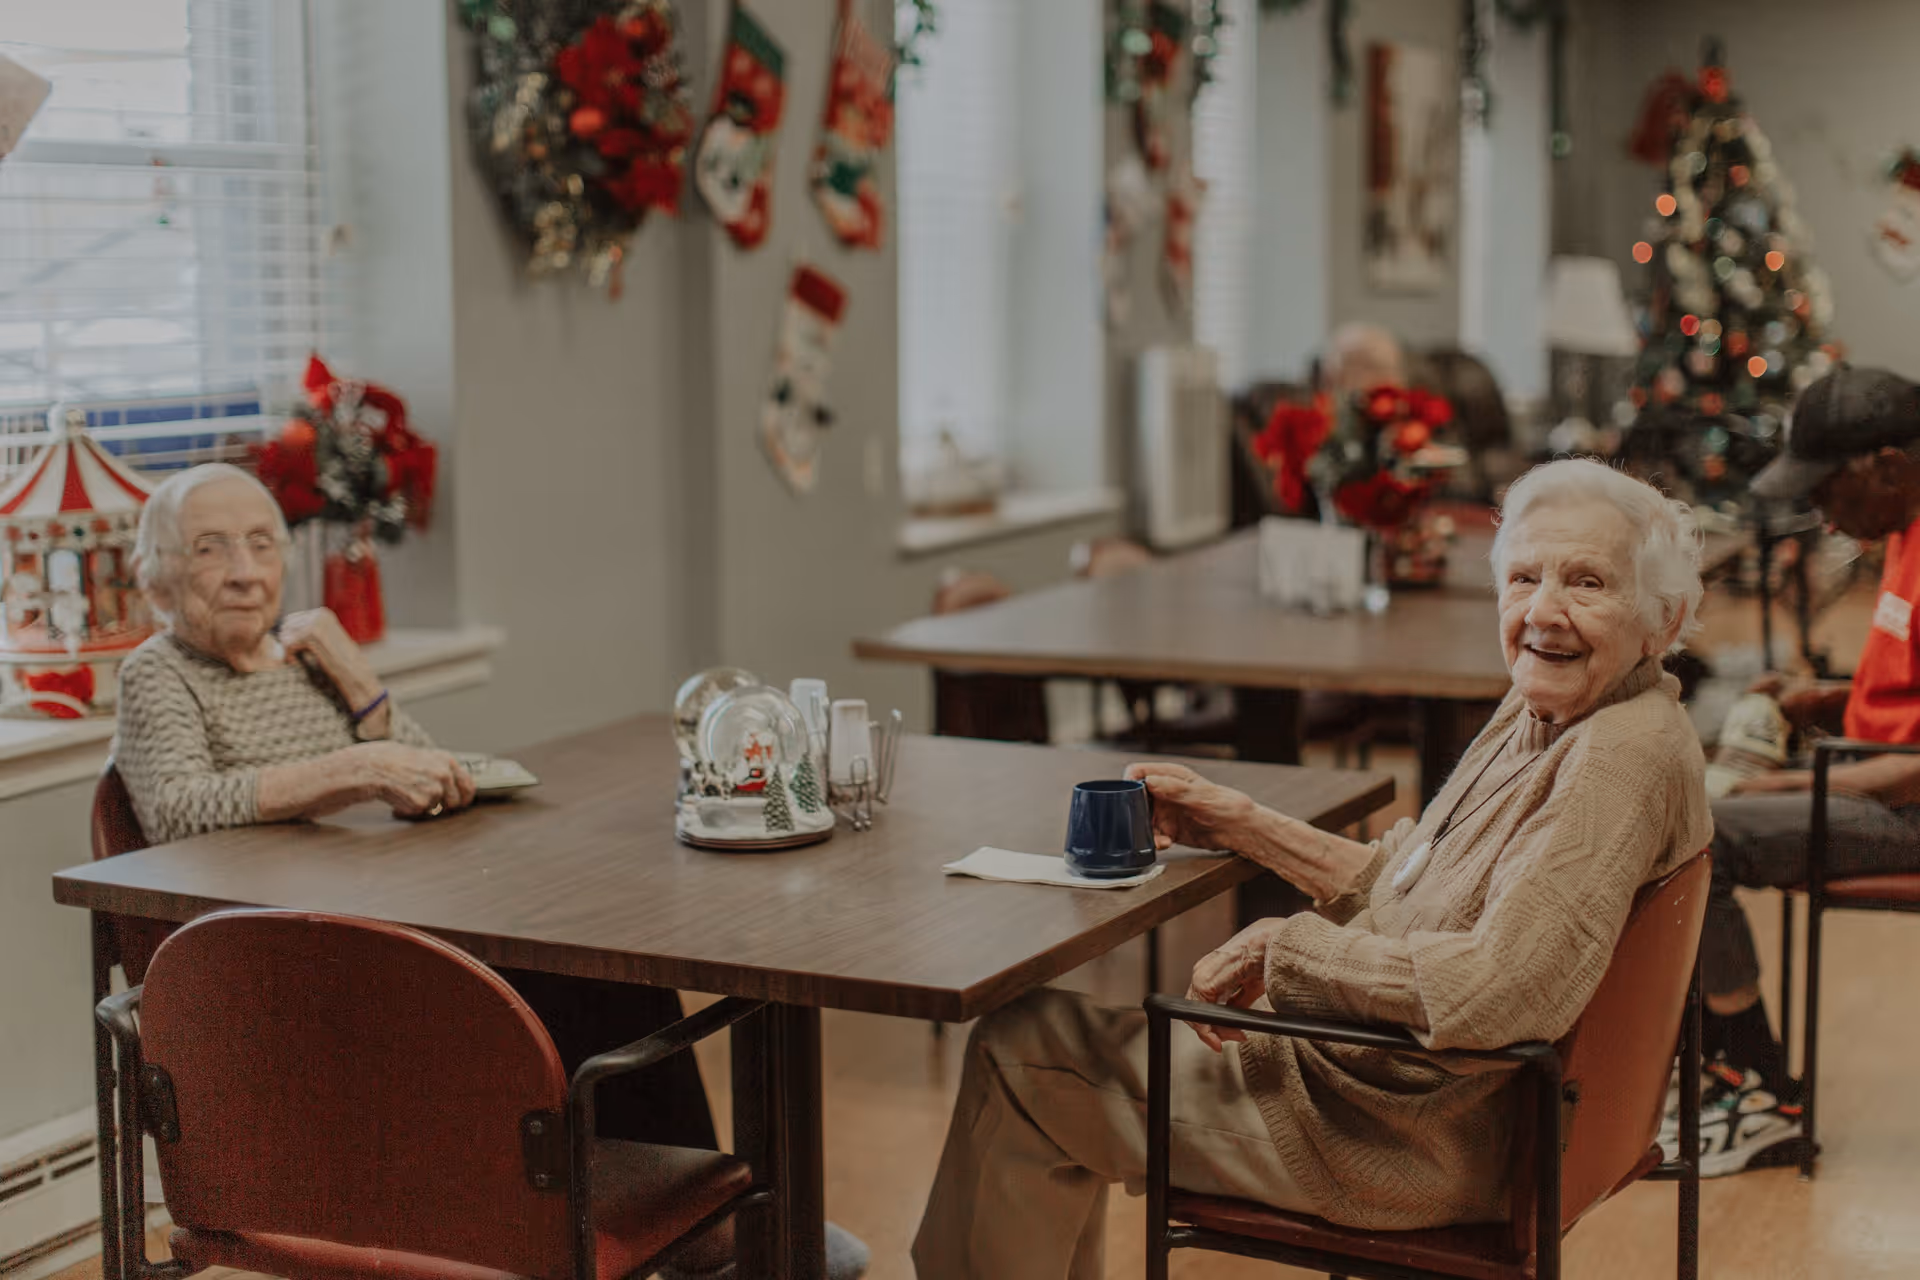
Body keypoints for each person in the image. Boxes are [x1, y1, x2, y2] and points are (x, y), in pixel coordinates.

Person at [912, 458, 1713, 1279]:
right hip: (1404, 1095)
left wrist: (1284, 949)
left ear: (1663, 616)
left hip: (1400, 1136)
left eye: (1586, 583)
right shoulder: (1556, 707)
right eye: (1523, 578)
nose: (1543, 611)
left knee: (1022, 1054)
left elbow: (1501, 987)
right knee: (1043, 1038)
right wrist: (1242, 823)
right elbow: (1414, 879)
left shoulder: (1616, 761)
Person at [113, 464, 868, 1280]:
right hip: (289, 973)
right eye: (209, 550)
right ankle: (681, 1240)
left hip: (376, 917)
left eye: (262, 544)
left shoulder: (303, 657)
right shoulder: (159, 671)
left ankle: (694, 1233)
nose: (243, 570)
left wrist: (358, 682)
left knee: (608, 970)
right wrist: (354, 767)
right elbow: (177, 808)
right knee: (566, 985)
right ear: (155, 574)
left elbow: (428, 769)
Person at [1670, 366, 1920, 1177]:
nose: (1820, 510)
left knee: (1697, 839)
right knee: (1683, 818)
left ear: (1888, 465)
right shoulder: (1908, 532)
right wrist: (1824, 702)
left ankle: (1759, 1092)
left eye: (1830, 486)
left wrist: (1801, 785)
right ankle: (1728, 1071)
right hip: (1878, 775)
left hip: (1906, 806)